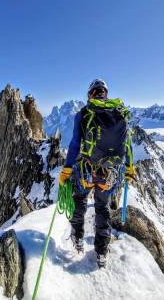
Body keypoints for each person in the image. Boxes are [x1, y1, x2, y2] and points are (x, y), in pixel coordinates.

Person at [59, 79, 136, 268]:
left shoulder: (84, 113)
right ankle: (101, 252)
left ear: (90, 94)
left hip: (86, 171)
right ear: (105, 93)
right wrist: (129, 168)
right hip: (108, 175)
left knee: (80, 201)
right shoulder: (119, 113)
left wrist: (68, 168)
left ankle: (77, 238)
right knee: (102, 209)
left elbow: (75, 143)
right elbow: (127, 144)